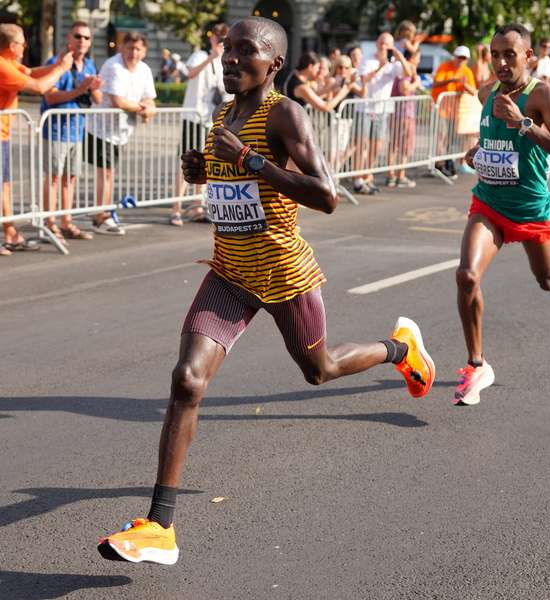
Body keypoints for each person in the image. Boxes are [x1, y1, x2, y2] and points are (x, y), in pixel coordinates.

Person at [96, 16, 435, 565]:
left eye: (244, 51)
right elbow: (231, 179)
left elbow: (326, 194)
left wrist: (250, 160)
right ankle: (160, 526)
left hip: (282, 273)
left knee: (319, 369)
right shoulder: (224, 112)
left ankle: (399, 349)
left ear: (273, 64)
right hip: (229, 271)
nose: (230, 59)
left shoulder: (285, 113)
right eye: (227, 50)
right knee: (186, 381)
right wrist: (202, 169)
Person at [456, 23, 550, 406]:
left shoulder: (541, 95)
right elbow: (492, 142)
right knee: (466, 276)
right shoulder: (486, 92)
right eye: (495, 54)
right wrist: (478, 154)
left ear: (528, 57)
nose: (500, 62)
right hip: (489, 203)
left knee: (547, 280)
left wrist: (524, 123)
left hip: (531, 208)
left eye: (509, 55)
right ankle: (476, 364)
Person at [0, 23, 73, 256]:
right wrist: (61, 70)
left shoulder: (4, 60)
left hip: (0, 133)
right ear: (12, 46)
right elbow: (39, 87)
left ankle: (10, 233)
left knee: (3, 186)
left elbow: (29, 73)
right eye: (21, 42)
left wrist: (57, 65)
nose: (25, 46)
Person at [84, 31, 156, 236]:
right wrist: (143, 109)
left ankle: (104, 212)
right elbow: (118, 101)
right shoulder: (113, 66)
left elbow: (149, 99)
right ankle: (101, 216)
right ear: (121, 48)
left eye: (137, 49)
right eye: (129, 48)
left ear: (144, 51)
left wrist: (149, 108)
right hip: (101, 128)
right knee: (105, 173)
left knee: (110, 172)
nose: (133, 52)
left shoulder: (144, 69)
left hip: (121, 131)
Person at [39, 20, 101, 243]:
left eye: (86, 37)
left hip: (77, 129)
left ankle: (66, 222)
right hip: (56, 129)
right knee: (54, 177)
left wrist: (93, 88)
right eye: (77, 36)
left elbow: (97, 98)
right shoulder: (56, 62)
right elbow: (50, 95)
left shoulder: (90, 64)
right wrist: (79, 90)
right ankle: (50, 223)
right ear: (68, 38)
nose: (81, 41)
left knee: (70, 178)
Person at [174, 22, 230, 226]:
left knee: (202, 164)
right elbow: (190, 73)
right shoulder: (200, 55)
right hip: (193, 116)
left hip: (209, 119)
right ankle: (176, 207)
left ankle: (197, 207)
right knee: (186, 162)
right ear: (212, 38)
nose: (221, 42)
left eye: (225, 39)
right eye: (218, 37)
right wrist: (211, 58)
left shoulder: (225, 61)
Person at [352, 32, 413, 195]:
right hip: (364, 109)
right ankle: (357, 179)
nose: (383, 46)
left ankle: (367, 177)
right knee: (361, 145)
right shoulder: (368, 59)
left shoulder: (393, 63)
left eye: (387, 44)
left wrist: (399, 55)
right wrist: (380, 65)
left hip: (381, 110)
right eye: (381, 43)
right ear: (376, 43)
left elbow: (408, 74)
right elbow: (364, 80)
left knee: (376, 147)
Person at [431, 45, 478, 178]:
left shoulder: (467, 71)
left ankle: (446, 162)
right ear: (454, 57)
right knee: (442, 137)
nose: (460, 60)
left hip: (455, 111)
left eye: (463, 58)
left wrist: (464, 84)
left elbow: (473, 91)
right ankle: (439, 165)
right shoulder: (444, 67)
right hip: (441, 109)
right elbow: (436, 83)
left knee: (450, 140)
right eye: (459, 57)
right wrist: (452, 80)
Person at [386, 47, 422, 188]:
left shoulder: (402, 68)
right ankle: (398, 175)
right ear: (412, 58)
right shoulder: (406, 69)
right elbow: (404, 88)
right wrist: (416, 83)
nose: (419, 61)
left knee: (395, 144)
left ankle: (392, 175)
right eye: (418, 57)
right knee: (402, 145)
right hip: (404, 112)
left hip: (398, 111)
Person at [284, 51, 351, 111]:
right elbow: (325, 107)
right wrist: (343, 92)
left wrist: (329, 89)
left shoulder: (293, 75)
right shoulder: (302, 87)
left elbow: (315, 95)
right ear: (310, 67)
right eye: (318, 68)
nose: (319, 72)